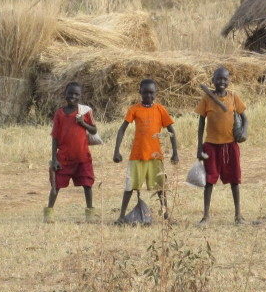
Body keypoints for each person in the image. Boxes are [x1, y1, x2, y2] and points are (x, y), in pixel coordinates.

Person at [113, 79, 180, 221]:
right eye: (145, 93)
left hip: (155, 156)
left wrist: (175, 152)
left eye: (151, 93)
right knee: (130, 186)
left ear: (155, 93)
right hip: (137, 155)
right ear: (140, 93)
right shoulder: (134, 109)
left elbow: (171, 131)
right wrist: (116, 150)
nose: (148, 96)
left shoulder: (160, 110)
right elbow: (122, 129)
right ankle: (121, 217)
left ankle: (166, 215)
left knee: (161, 187)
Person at [196, 67, 247, 225]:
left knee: (234, 180)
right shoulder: (207, 98)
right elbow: (201, 123)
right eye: (218, 79)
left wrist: (244, 132)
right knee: (209, 181)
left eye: (225, 79)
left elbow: (245, 118)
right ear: (213, 81)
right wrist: (199, 146)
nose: (222, 82)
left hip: (230, 145)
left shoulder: (233, 97)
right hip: (211, 146)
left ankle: (238, 216)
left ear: (229, 80)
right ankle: (205, 216)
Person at [46, 82, 98, 224]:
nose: (73, 97)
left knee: (87, 184)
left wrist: (82, 123)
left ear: (80, 97)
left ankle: (90, 214)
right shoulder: (60, 114)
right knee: (56, 186)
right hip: (63, 158)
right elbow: (55, 137)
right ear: (65, 95)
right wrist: (54, 159)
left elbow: (94, 130)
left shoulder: (85, 112)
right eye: (70, 93)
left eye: (76, 94)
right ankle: (49, 213)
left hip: (82, 157)